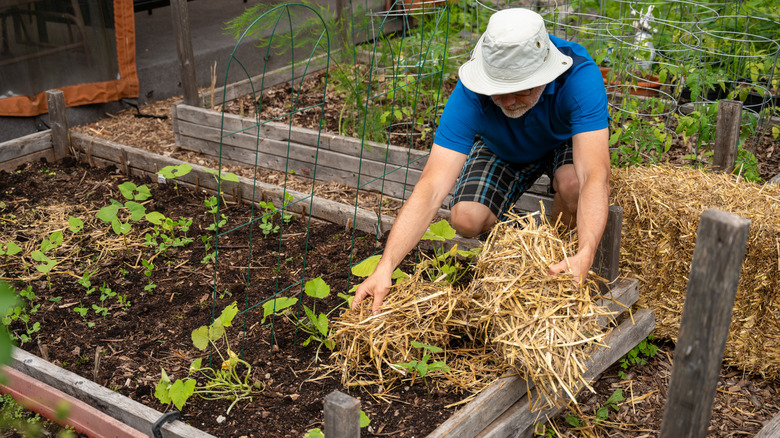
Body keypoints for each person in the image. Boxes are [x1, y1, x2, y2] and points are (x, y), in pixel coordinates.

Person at [352, 8, 610, 315]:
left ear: (545, 75)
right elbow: (432, 185)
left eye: (520, 90)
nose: (509, 102)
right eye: (499, 93)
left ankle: (561, 255)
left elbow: (595, 173)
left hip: (563, 139)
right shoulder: (471, 92)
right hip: (503, 147)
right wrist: (385, 267)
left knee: (573, 185)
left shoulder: (578, 76)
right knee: (465, 219)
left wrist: (588, 251)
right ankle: (513, 254)